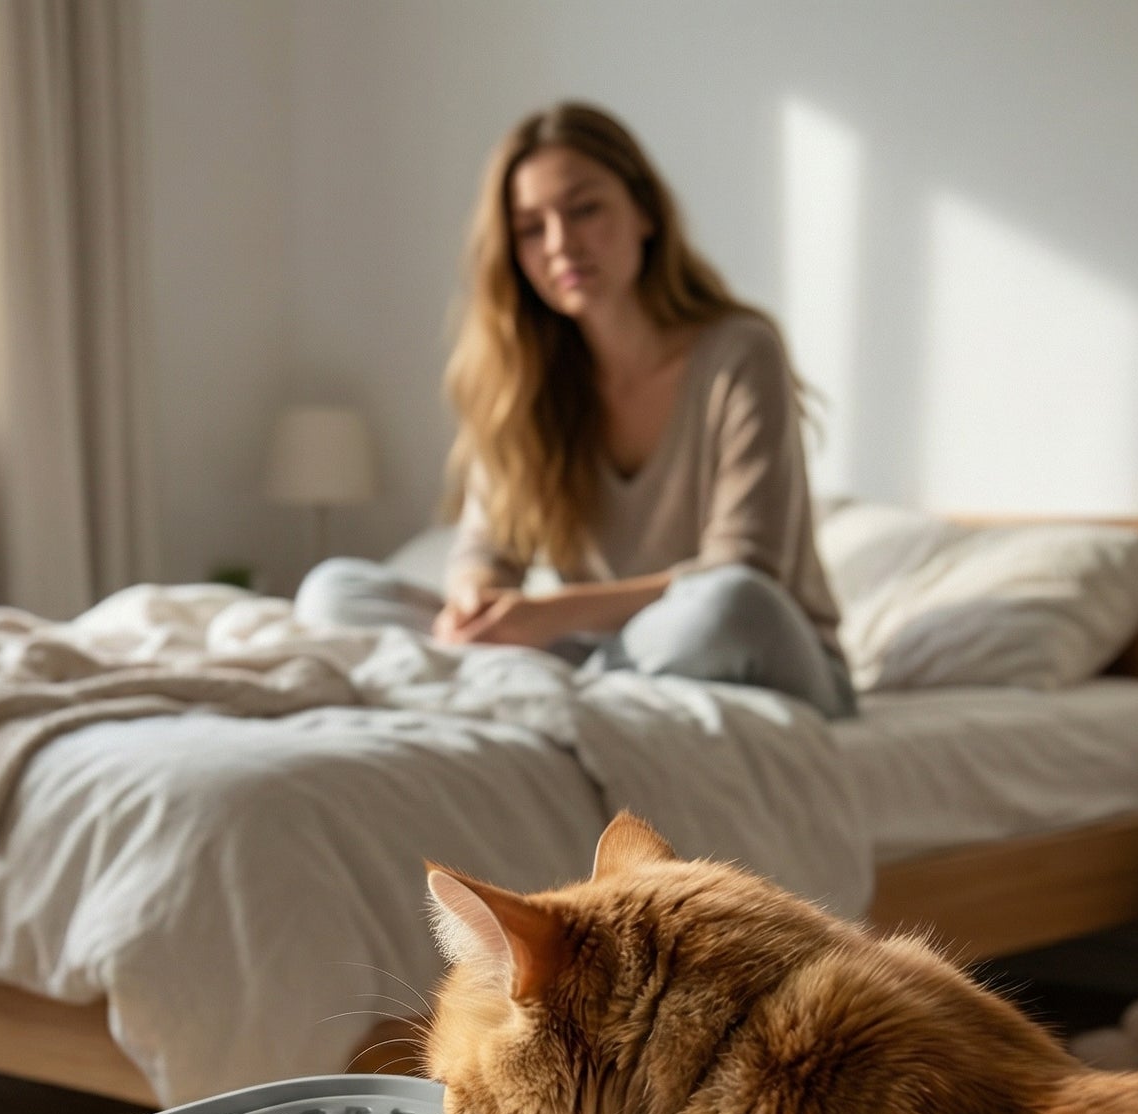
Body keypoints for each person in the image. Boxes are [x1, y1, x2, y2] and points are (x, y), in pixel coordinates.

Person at [296, 101, 855, 719]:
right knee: (333, 591)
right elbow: (486, 550)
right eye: (532, 227)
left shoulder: (740, 353)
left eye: (585, 209)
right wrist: (474, 601)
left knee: (731, 604)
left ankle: (529, 688)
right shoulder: (525, 376)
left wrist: (549, 615)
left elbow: (744, 569)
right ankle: (549, 684)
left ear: (644, 212)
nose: (561, 243)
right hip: (603, 650)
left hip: (758, 652)